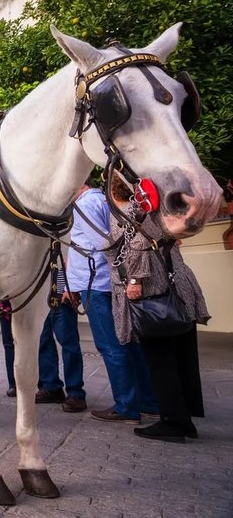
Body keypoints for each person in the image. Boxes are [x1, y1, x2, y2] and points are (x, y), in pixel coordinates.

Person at [109, 176, 210, 442]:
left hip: (154, 291)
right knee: (181, 356)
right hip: (177, 284)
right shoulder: (156, 210)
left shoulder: (128, 211)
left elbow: (134, 246)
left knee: (160, 359)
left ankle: (173, 422)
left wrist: (134, 279)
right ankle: (184, 418)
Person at [69, 177, 158, 424]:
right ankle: (148, 401)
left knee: (110, 344)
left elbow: (103, 242)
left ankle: (126, 405)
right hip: (106, 281)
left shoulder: (85, 205)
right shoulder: (101, 200)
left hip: (96, 282)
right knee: (128, 341)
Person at [36, 268, 87, 412]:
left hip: (61, 293)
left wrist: (70, 288)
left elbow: (71, 260)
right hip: (39, 295)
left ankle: (75, 393)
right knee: (43, 342)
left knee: (69, 344)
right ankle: (50, 387)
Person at [0, 299, 16, 397]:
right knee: (8, 344)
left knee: (28, 342)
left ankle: (32, 380)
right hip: (5, 303)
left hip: (25, 298)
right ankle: (13, 383)